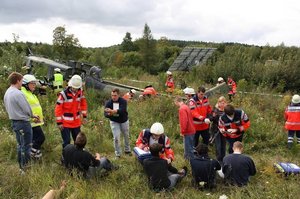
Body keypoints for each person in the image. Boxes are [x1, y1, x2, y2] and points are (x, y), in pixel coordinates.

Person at [3, 72, 37, 171]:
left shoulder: (7, 92)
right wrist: (32, 115)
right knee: (26, 146)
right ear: (17, 80)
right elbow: (26, 108)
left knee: (20, 145)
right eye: (22, 81)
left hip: (14, 122)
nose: (22, 83)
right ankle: (25, 169)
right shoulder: (18, 93)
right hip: (23, 123)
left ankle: (20, 167)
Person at [55, 75, 88, 149]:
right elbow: (58, 108)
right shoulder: (63, 94)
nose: (75, 90)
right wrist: (59, 122)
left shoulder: (81, 93)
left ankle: (78, 157)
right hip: (65, 123)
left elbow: (83, 104)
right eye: (73, 87)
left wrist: (84, 116)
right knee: (66, 142)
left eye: (76, 88)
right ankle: (65, 158)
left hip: (76, 122)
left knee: (78, 142)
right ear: (70, 85)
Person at [21, 74, 45, 159]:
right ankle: (31, 154)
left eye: (34, 83)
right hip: (31, 122)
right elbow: (23, 109)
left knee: (34, 140)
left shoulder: (29, 93)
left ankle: (36, 156)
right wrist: (32, 118)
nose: (34, 85)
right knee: (40, 138)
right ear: (25, 84)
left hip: (35, 121)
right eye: (32, 83)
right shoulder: (23, 94)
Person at [104, 88, 131, 158]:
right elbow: (105, 114)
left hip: (123, 121)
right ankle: (118, 154)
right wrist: (109, 114)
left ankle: (127, 150)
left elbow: (122, 110)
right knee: (116, 137)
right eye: (112, 95)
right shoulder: (108, 103)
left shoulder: (123, 101)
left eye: (115, 95)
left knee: (126, 136)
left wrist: (112, 111)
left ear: (119, 95)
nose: (113, 97)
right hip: (114, 122)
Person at [210, 96, 227, 162]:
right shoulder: (215, 110)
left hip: (224, 130)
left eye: (223, 103)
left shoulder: (226, 110)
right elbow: (212, 118)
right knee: (218, 145)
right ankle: (218, 159)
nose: (222, 104)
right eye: (220, 102)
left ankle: (224, 159)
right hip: (216, 129)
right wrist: (215, 115)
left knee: (224, 144)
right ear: (218, 103)